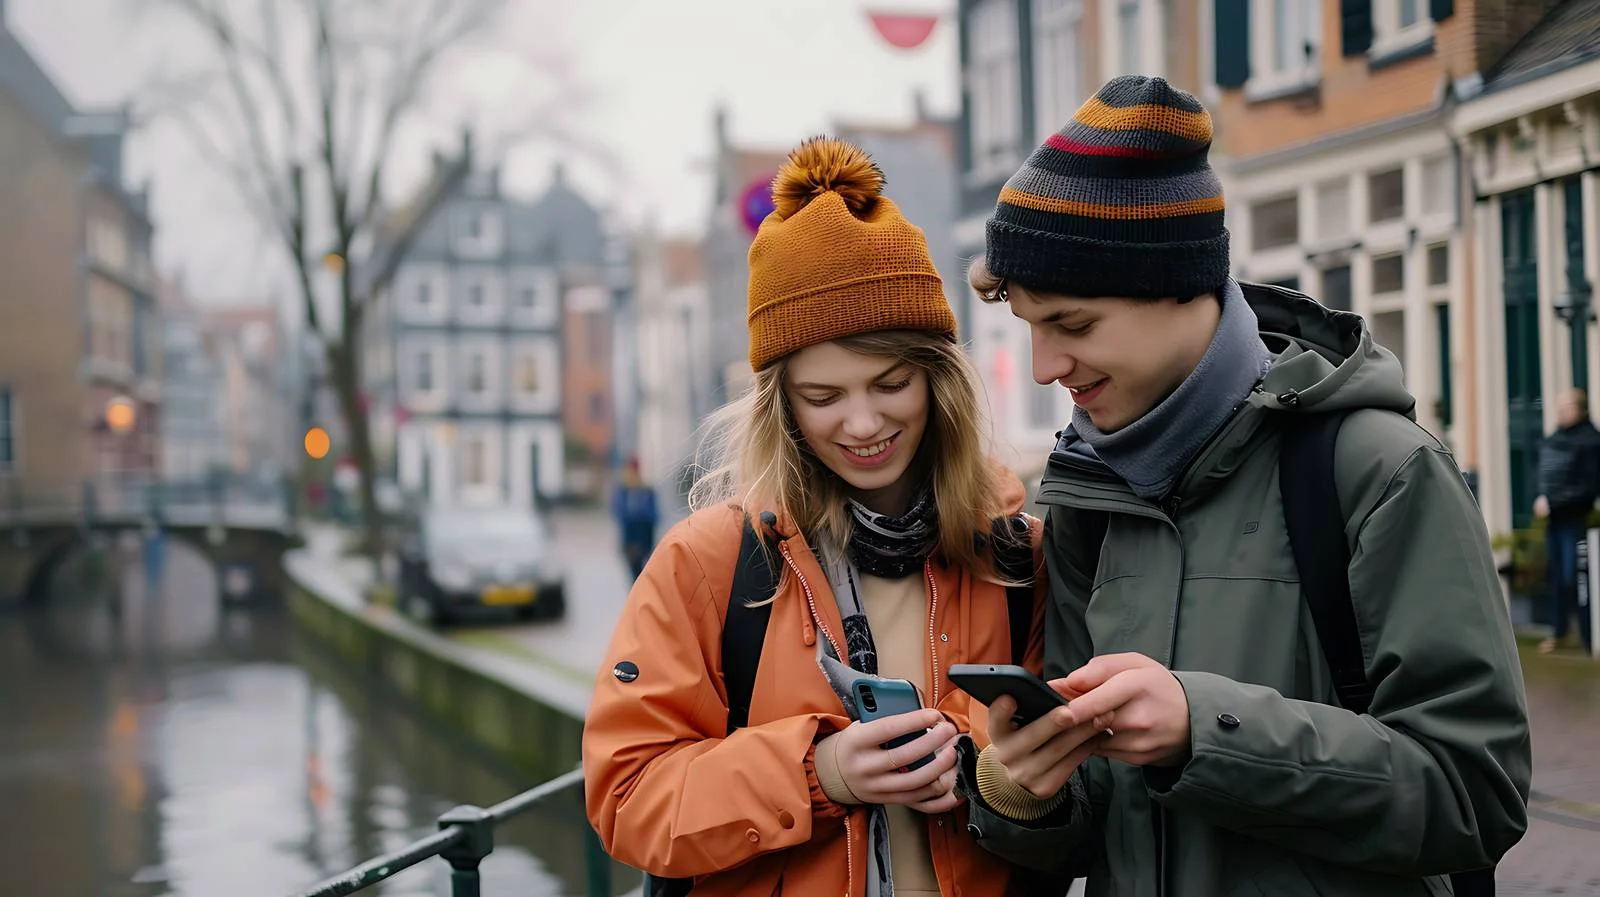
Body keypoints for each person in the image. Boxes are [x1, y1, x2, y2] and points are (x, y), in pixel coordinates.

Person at [955, 75, 1532, 896]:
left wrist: (1206, 730)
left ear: (1181, 284)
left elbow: (1477, 793)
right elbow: (1098, 827)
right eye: (1030, 329)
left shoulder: (1381, 470)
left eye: (1073, 325)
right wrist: (1026, 793)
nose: (1045, 367)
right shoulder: (1083, 495)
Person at [583, 136, 1049, 897]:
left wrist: (976, 760)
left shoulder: (1017, 556)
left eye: (891, 383)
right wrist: (819, 770)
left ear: (939, 381)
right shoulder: (707, 564)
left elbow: (1062, 778)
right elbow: (626, 795)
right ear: (782, 405)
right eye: (823, 397)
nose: (862, 423)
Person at [1534, 387, 1600, 654]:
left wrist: (1556, 500)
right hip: (1555, 519)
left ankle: (1587, 634)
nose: (1560, 413)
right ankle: (1560, 632)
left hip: (1576, 519)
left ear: (1580, 409)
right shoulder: (1554, 439)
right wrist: (1540, 495)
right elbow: (1542, 470)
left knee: (1577, 577)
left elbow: (1589, 484)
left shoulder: (1590, 442)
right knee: (1558, 578)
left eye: (1566, 408)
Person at [612, 456, 661, 580]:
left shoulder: (646, 491)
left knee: (641, 575)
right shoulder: (624, 491)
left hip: (644, 540)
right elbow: (619, 514)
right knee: (635, 575)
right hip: (631, 540)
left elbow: (654, 516)